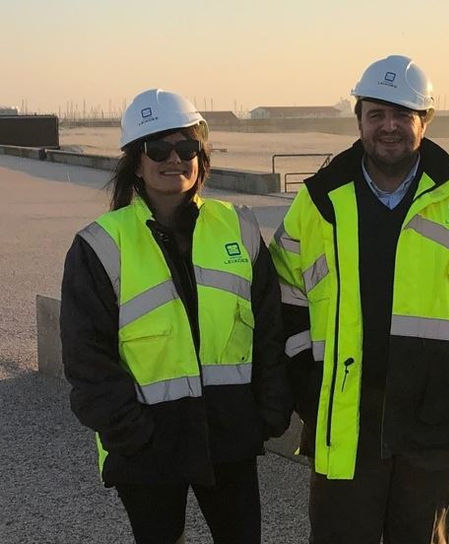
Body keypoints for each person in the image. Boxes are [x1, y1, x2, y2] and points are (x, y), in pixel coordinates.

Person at [269, 55, 449, 543]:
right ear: (359, 119)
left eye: (402, 115)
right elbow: (285, 301)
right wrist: (307, 387)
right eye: (377, 114)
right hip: (346, 418)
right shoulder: (319, 202)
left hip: (437, 421)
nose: (388, 127)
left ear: (425, 120)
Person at [60, 88, 292, 544]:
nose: (174, 159)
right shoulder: (100, 245)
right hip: (147, 443)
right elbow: (87, 357)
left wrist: (268, 412)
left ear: (201, 157)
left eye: (186, 148)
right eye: (158, 148)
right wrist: (130, 431)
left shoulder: (238, 228)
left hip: (229, 434)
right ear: (135, 159)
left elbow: (269, 326)